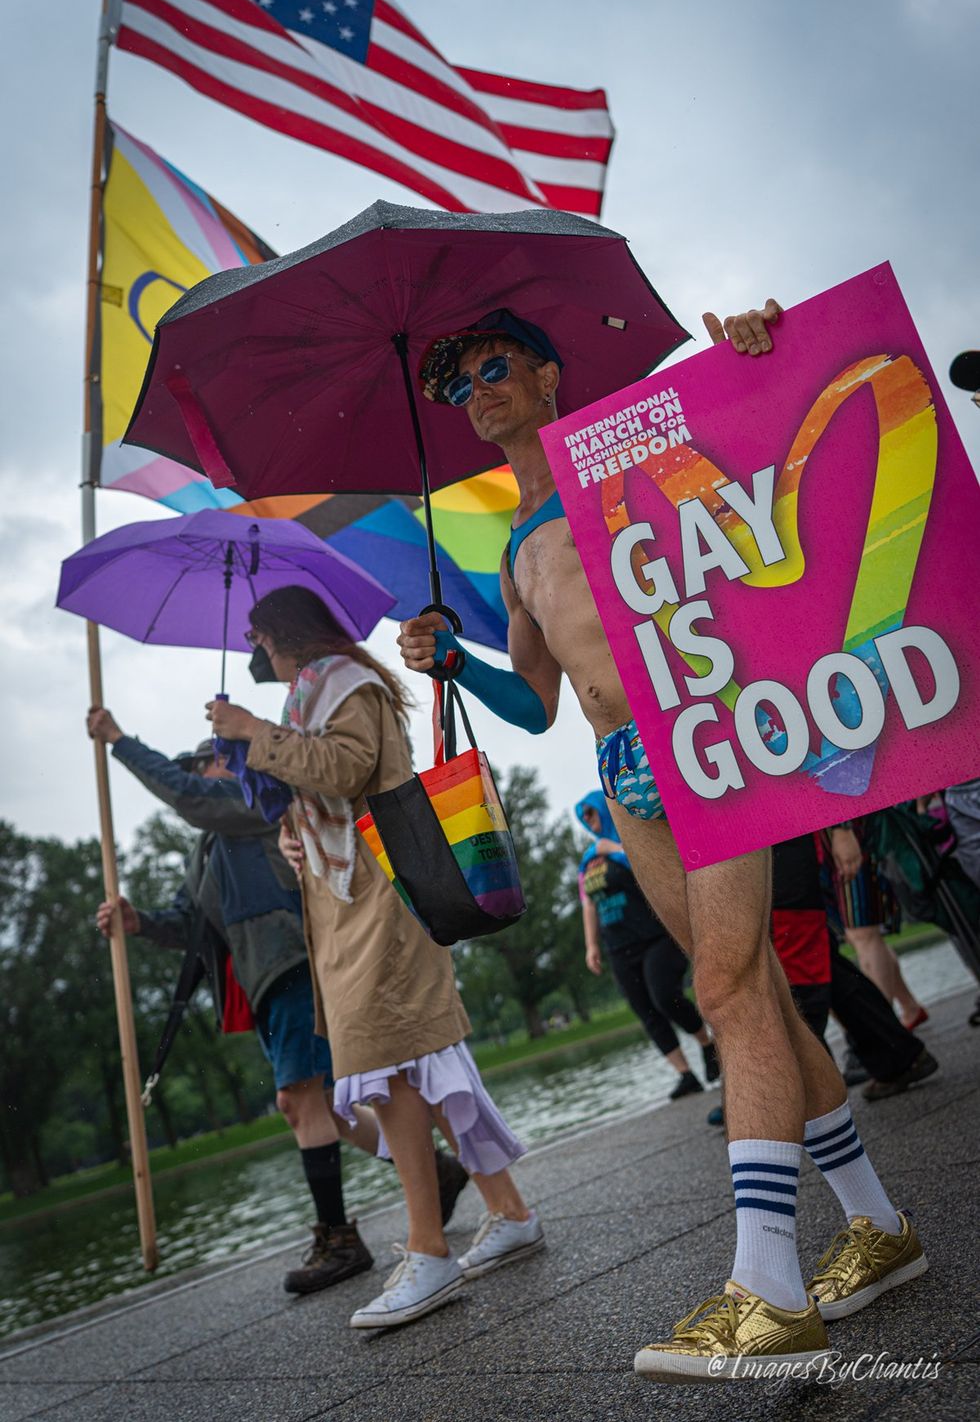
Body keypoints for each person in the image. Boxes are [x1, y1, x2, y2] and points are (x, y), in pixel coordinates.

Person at [397, 305, 926, 1381]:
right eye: (456, 388)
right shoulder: (509, 551)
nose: (475, 393)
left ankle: (766, 1290)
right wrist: (452, 663)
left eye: (491, 369)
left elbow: (755, 449)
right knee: (754, 997)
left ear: (546, 374)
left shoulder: (631, 457)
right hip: (623, 768)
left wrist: (753, 350)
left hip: (708, 736)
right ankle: (875, 1226)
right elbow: (537, 701)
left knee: (727, 992)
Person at [207, 587, 543, 1330]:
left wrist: (255, 730)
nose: (258, 651)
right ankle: (509, 1211)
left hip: (384, 890)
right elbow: (320, 789)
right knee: (424, 1057)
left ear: (284, 631)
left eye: (260, 637)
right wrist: (294, 827)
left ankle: (428, 1251)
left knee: (392, 1058)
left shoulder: (347, 683)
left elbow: (349, 766)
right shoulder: (310, 692)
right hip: (350, 892)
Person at [88, 711, 469, 1297]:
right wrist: (139, 922)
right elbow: (191, 923)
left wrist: (120, 741)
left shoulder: (252, 803)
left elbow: (189, 796)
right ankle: (431, 1169)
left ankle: (340, 1238)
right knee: (324, 1110)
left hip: (292, 963)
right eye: (196, 765)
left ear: (230, 765)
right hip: (260, 982)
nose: (200, 773)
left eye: (207, 762)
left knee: (298, 1100)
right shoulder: (209, 851)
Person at [771, 834, 939, 1101]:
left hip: (774, 850)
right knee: (819, 963)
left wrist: (842, 829)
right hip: (756, 855)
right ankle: (896, 1055)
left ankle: (812, 1094)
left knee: (798, 972)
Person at [576, 791, 718, 1099]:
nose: (589, 820)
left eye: (591, 812)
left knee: (664, 996)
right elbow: (588, 903)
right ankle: (685, 1075)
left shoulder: (631, 839)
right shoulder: (587, 860)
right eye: (583, 817)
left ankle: (707, 1044)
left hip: (656, 936)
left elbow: (653, 866)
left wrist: (613, 848)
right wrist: (591, 946)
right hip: (617, 947)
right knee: (646, 1011)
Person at [823, 820, 928, 1033]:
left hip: (845, 829)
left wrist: (842, 827)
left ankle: (885, 1031)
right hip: (814, 842)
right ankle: (909, 1007)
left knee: (862, 933)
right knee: (856, 937)